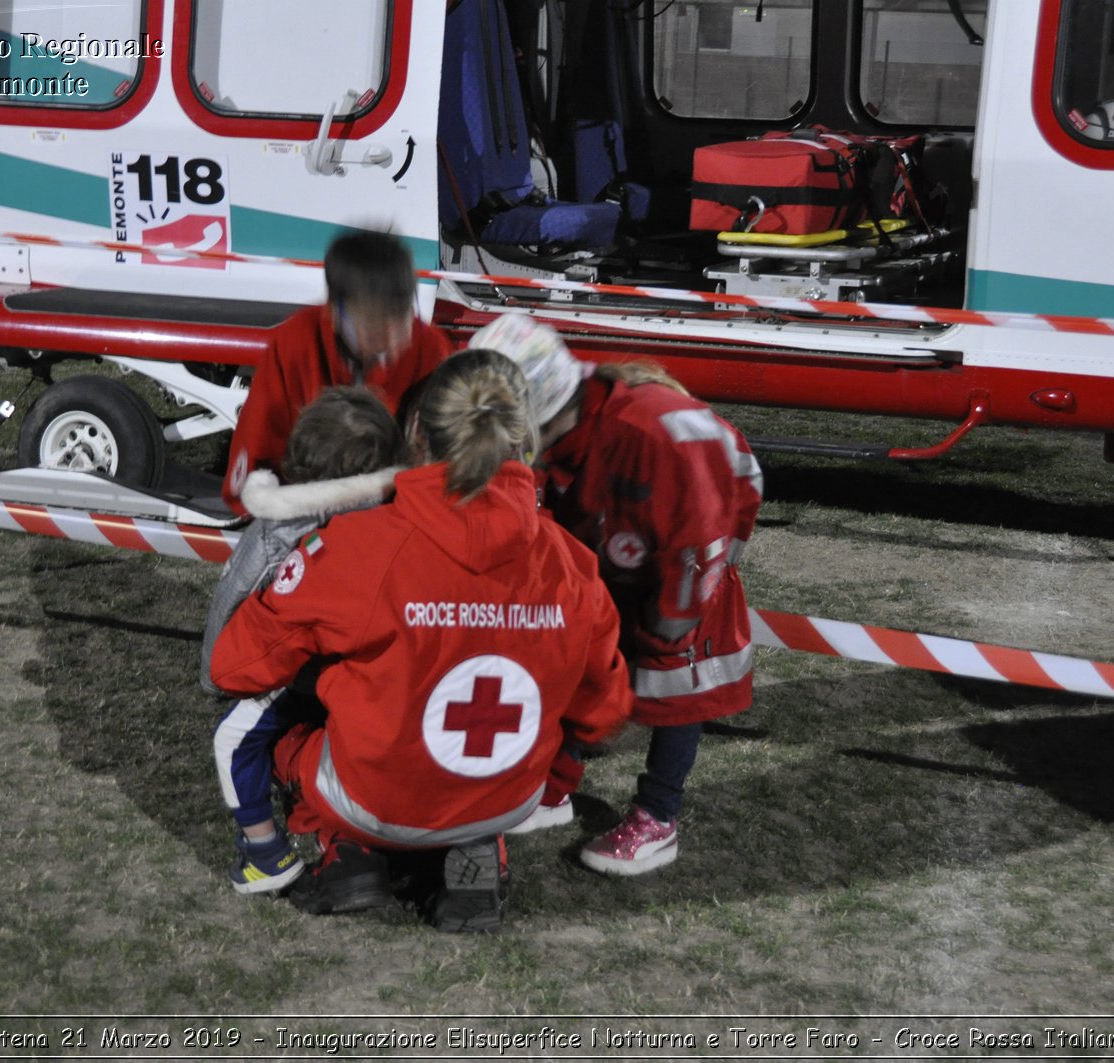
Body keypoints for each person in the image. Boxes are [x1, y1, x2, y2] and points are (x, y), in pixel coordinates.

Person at [210, 348, 633, 931]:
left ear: (415, 431)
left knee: (292, 733)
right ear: (525, 440)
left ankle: (348, 852)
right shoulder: (573, 564)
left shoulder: (356, 547)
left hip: (374, 802)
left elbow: (236, 669)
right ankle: (482, 847)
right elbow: (603, 711)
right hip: (507, 798)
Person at [471, 313, 762, 876]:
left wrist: (674, 615)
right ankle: (553, 791)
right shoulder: (564, 434)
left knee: (676, 678)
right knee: (577, 657)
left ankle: (658, 816)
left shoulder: (657, 433)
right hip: (624, 546)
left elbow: (699, 536)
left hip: (689, 556)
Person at [207, 387, 405, 895]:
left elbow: (237, 597)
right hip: (384, 670)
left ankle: (265, 853)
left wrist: (216, 672)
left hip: (307, 669)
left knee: (235, 739)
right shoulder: (402, 512)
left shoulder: (282, 526)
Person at [222, 230, 450, 513]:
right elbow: (261, 432)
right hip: (309, 501)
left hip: (399, 504)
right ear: (336, 311)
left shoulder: (429, 347)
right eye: (375, 324)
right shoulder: (297, 343)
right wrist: (256, 506)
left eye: (402, 317)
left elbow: (444, 442)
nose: (392, 339)